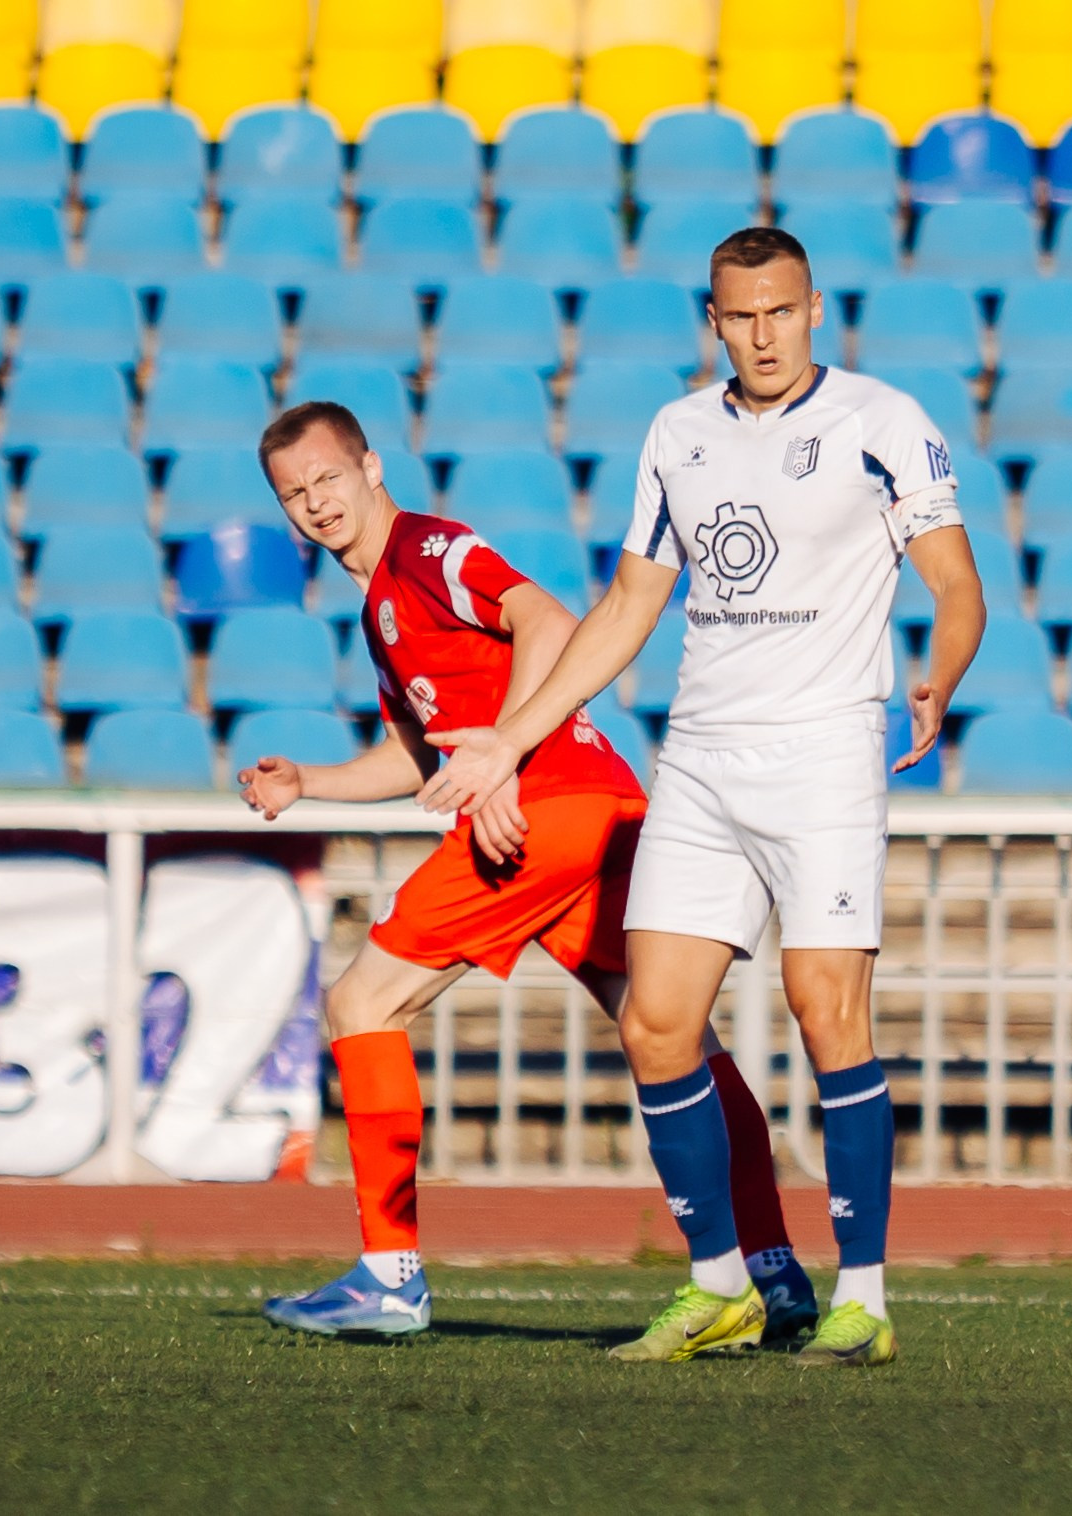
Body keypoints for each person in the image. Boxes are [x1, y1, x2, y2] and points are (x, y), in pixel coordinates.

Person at [416, 227, 986, 1369]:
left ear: (814, 309)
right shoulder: (677, 433)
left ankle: (863, 1298)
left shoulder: (881, 422)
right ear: (713, 321)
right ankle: (721, 1284)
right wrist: (511, 742)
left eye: (781, 311)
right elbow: (629, 605)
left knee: (827, 1010)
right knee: (655, 1024)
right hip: (702, 760)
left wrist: (944, 673)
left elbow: (956, 581)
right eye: (742, 316)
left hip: (824, 755)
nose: (763, 335)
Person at [244, 402, 815, 1344]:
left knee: (360, 1005)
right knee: (671, 1036)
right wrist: (312, 781)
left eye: (329, 478)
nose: (317, 502)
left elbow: (545, 619)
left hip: (543, 814)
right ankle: (770, 1266)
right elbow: (423, 756)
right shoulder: (382, 604)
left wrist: (503, 757)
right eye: (295, 492)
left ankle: (389, 1277)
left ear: (372, 468)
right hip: (601, 803)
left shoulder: (426, 551)